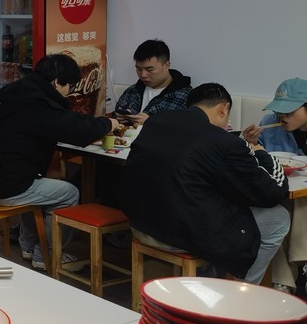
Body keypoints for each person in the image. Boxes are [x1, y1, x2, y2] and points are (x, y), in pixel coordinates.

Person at [123, 83, 290, 285]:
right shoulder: (221, 141)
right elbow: (272, 192)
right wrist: (261, 153)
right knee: (279, 217)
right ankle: (242, 290)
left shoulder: (156, 122)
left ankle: (212, 280)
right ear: (223, 109)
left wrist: (241, 142)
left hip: (142, 223)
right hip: (181, 234)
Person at [0, 54, 117, 270]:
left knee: (34, 181)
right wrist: (109, 124)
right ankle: (48, 255)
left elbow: (65, 122)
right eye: (69, 86)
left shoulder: (17, 92)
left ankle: (28, 246)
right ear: (56, 82)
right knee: (69, 193)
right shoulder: (39, 105)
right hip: (8, 186)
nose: (70, 92)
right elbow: (76, 130)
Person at [244, 78, 307, 296]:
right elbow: (259, 163)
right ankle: (284, 282)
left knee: (300, 204)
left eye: (289, 111)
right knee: (274, 213)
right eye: (279, 111)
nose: (282, 117)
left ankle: (295, 270)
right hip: (281, 190)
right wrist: (250, 144)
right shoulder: (268, 123)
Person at [113, 39, 192, 125]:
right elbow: (114, 117)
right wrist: (119, 119)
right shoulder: (132, 91)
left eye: (149, 69)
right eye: (139, 69)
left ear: (166, 66)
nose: (143, 75)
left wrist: (152, 122)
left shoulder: (186, 96)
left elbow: (186, 129)